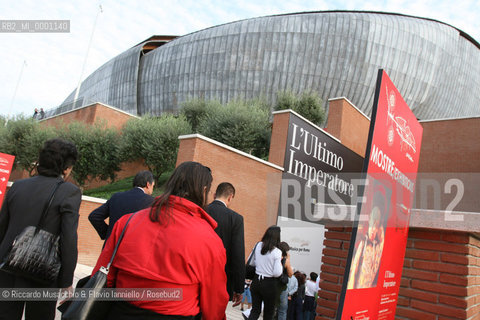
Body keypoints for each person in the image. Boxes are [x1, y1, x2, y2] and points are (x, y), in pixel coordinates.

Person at [91, 161, 229, 319]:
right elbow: (214, 300)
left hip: (120, 310)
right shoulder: (210, 239)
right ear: (204, 190)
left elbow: (102, 274)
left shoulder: (127, 222)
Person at [0, 138, 81, 320]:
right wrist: (67, 280)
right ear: (66, 168)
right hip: (42, 271)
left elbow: (2, 227)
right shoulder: (69, 191)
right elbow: (69, 238)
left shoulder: (18, 186)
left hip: (7, 265)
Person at [88, 170, 155, 242]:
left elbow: (94, 216)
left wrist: (109, 234)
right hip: (133, 247)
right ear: (148, 184)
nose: (152, 190)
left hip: (112, 248)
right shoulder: (150, 202)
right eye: (153, 186)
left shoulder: (116, 197)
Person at [206, 182, 245, 305]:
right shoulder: (236, 219)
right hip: (220, 279)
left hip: (196, 273)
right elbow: (238, 255)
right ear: (230, 197)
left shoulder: (201, 210)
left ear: (214, 195)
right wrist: (238, 288)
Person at [247, 226, 283, 320]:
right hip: (269, 284)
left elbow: (250, 262)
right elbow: (277, 273)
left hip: (256, 281)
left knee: (255, 310)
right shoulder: (277, 252)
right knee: (268, 313)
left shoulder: (258, 245)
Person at [277, 242, 293, 320]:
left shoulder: (272, 257)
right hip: (281, 287)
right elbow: (290, 274)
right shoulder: (285, 260)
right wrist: (288, 260)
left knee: (270, 309)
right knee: (282, 311)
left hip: (270, 285)